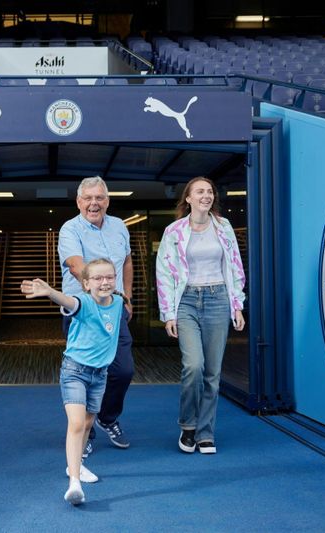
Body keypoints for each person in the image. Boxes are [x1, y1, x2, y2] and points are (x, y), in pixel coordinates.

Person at [21, 258, 124, 506]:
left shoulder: (119, 302)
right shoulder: (84, 303)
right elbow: (70, 302)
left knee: (88, 423)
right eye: (98, 278)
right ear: (86, 284)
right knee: (77, 423)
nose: (105, 282)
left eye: (109, 277)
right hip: (75, 372)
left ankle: (76, 465)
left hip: (100, 375)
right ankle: (74, 483)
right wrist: (50, 292)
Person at [155, 177, 246, 455]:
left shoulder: (224, 227)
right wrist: (168, 313)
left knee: (212, 372)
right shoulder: (174, 231)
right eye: (200, 192)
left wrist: (236, 304)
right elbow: (164, 273)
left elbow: (234, 266)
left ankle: (206, 432)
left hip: (218, 299)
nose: (206, 195)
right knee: (193, 366)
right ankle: (188, 425)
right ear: (189, 199)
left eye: (209, 192)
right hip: (187, 302)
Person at [58, 176, 133, 453]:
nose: (94, 203)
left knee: (123, 370)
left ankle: (107, 417)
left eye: (99, 198)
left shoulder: (119, 226)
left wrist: (127, 296)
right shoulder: (70, 229)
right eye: (88, 198)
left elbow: (126, 261)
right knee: (87, 373)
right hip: (82, 312)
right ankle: (84, 434)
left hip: (114, 309)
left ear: (107, 200)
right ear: (79, 202)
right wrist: (101, 294)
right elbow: (78, 268)